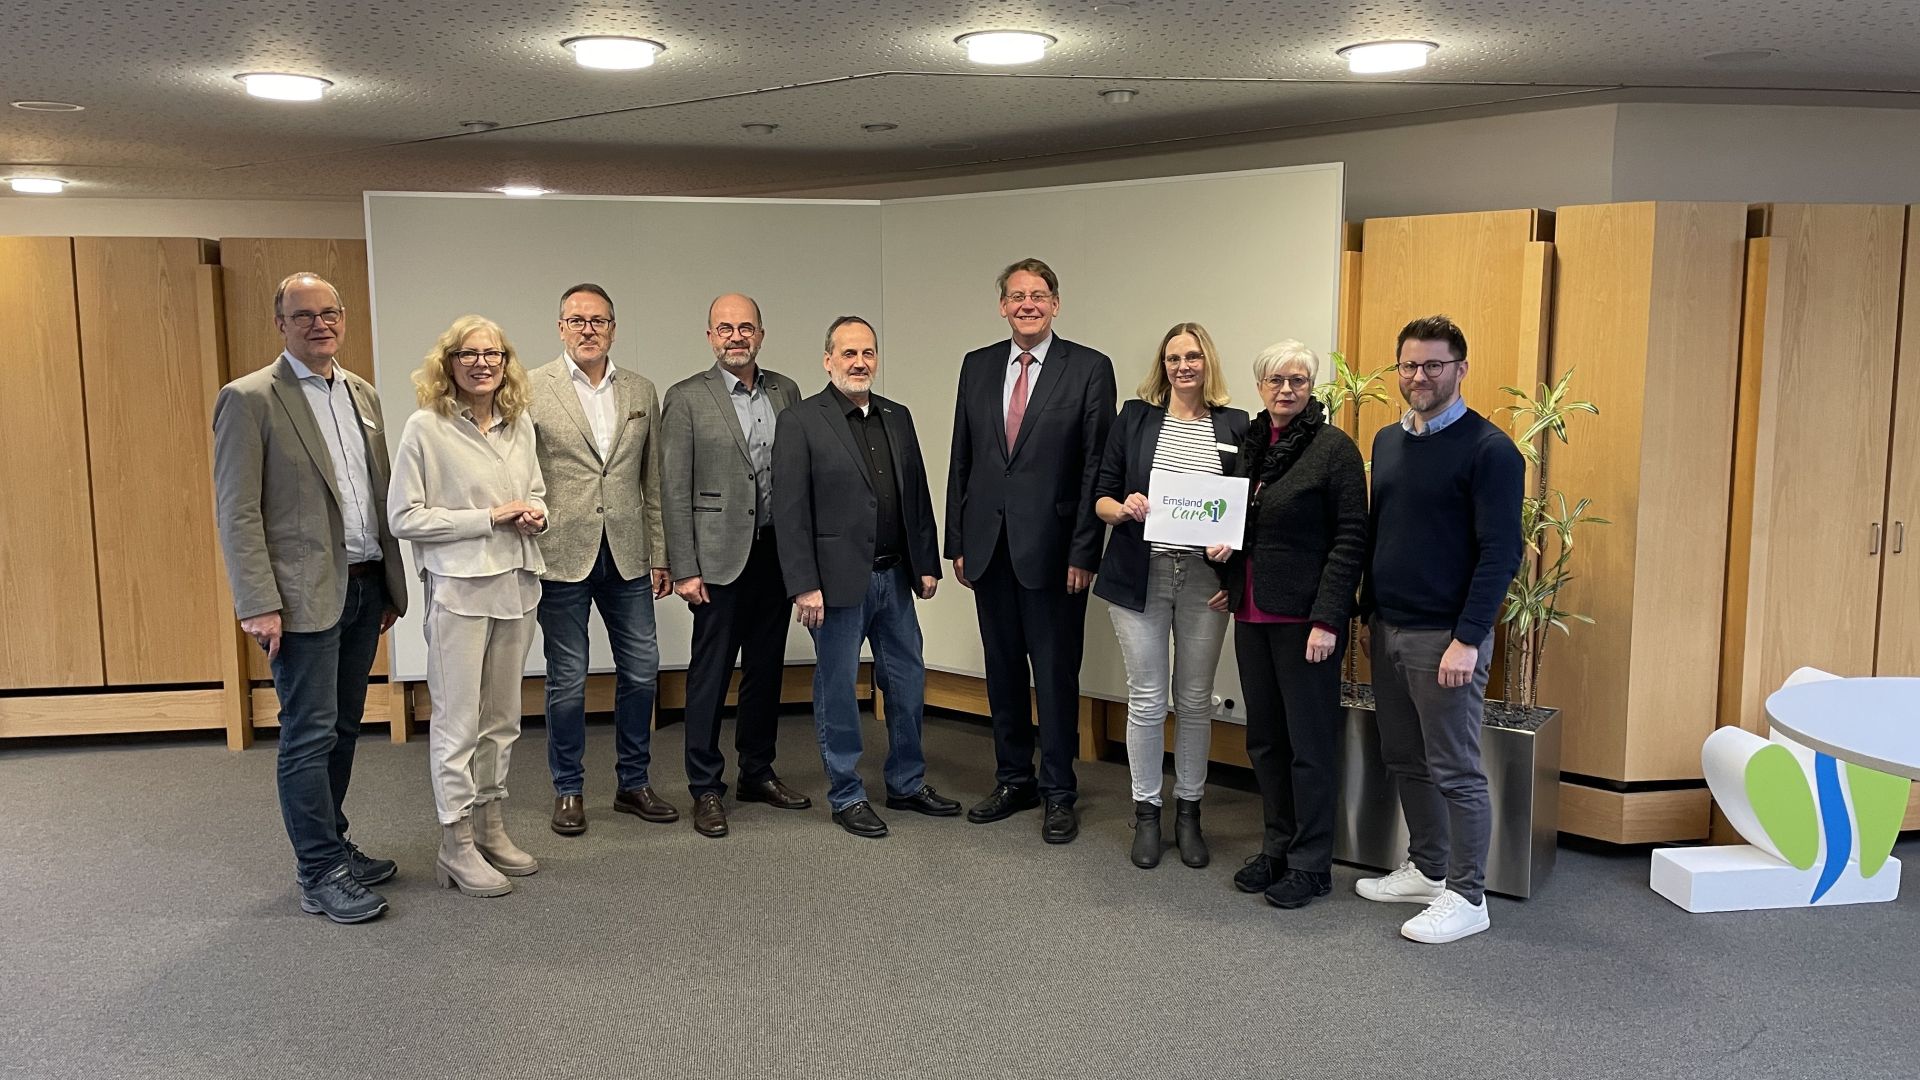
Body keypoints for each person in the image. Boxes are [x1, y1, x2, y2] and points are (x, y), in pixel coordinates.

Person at [212, 272, 409, 924]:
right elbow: (237, 512)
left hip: (362, 585)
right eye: (304, 315)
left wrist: (387, 582)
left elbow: (373, 498)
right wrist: (256, 602)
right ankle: (318, 871)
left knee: (345, 728)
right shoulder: (249, 400)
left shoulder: (362, 395)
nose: (319, 323)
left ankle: (334, 844)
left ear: (343, 319)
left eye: (330, 312)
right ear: (282, 324)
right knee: (308, 734)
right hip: (298, 600)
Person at [1356, 314, 1523, 943]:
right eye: (1408, 365)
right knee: (1405, 758)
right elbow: (1383, 534)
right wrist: (1370, 613)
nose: (1419, 376)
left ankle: (1468, 895)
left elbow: (1501, 552)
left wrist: (1469, 637)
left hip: (1445, 639)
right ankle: (1428, 870)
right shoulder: (1388, 441)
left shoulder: (1490, 450)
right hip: (1390, 627)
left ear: (1460, 368)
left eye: (1433, 365)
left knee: (1454, 767)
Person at [946, 258, 1116, 844]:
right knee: (1002, 673)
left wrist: (1084, 552)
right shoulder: (977, 365)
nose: (1027, 305)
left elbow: (1098, 467)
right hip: (988, 548)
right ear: (1002, 305)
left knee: (1054, 674)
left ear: (1056, 303)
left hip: (1055, 552)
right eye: (1016, 296)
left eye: (1038, 296)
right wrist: (958, 540)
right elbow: (961, 457)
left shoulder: (1090, 369)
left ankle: (1058, 791)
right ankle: (1013, 778)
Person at [774, 316, 956, 838]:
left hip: (895, 578)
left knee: (906, 681)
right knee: (837, 689)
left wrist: (926, 563)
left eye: (868, 353)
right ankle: (847, 792)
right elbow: (790, 511)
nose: (859, 363)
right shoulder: (802, 421)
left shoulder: (897, 417)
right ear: (828, 360)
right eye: (848, 353)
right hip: (833, 586)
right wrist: (803, 584)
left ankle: (905, 782)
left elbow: (915, 494)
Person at [388, 315, 549, 898]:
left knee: (503, 719)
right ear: (448, 362)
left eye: (494, 354)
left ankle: (490, 826)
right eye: (469, 354)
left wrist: (535, 512)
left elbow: (534, 492)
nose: (482, 363)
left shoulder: (519, 423)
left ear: (506, 362)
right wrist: (488, 517)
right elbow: (404, 517)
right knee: (458, 721)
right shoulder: (424, 428)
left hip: (516, 582)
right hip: (458, 589)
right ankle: (454, 844)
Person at [1092, 323, 1247, 870]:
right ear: (1163, 364)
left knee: (1196, 699)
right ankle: (1148, 811)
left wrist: (1234, 551)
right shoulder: (1134, 418)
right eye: (1174, 357)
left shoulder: (1235, 425)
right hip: (1142, 573)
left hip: (1205, 581)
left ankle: (1190, 812)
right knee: (1148, 698)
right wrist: (1125, 506)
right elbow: (1101, 499)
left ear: (1208, 362)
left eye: (1193, 356)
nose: (1184, 366)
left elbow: (1243, 508)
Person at [1219, 340, 1368, 909]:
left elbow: (1350, 538)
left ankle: (1311, 862)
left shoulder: (1334, 450)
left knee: (1308, 745)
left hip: (1306, 623)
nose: (1287, 390)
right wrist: (1224, 573)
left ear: (1312, 389)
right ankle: (1276, 847)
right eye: (1277, 380)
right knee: (1265, 742)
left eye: (1299, 381)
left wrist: (1329, 619)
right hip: (1251, 614)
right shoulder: (1250, 446)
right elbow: (1241, 527)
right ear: (1260, 386)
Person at [661, 293, 814, 838]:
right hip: (717, 561)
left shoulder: (785, 391)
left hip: (776, 555)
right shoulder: (685, 398)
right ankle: (705, 786)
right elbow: (673, 489)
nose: (735, 337)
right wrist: (683, 567)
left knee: (766, 671)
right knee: (710, 676)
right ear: (709, 337)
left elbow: (796, 478)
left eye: (745, 328)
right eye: (724, 328)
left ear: (761, 335)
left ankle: (758, 771)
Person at [526, 283, 673, 838]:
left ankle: (633, 783)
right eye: (576, 320)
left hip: (629, 556)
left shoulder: (640, 390)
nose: (588, 329)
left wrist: (660, 553)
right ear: (560, 327)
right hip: (561, 555)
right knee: (567, 680)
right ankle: (569, 788)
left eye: (599, 320)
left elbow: (651, 481)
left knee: (641, 671)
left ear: (614, 328)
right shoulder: (532, 389)